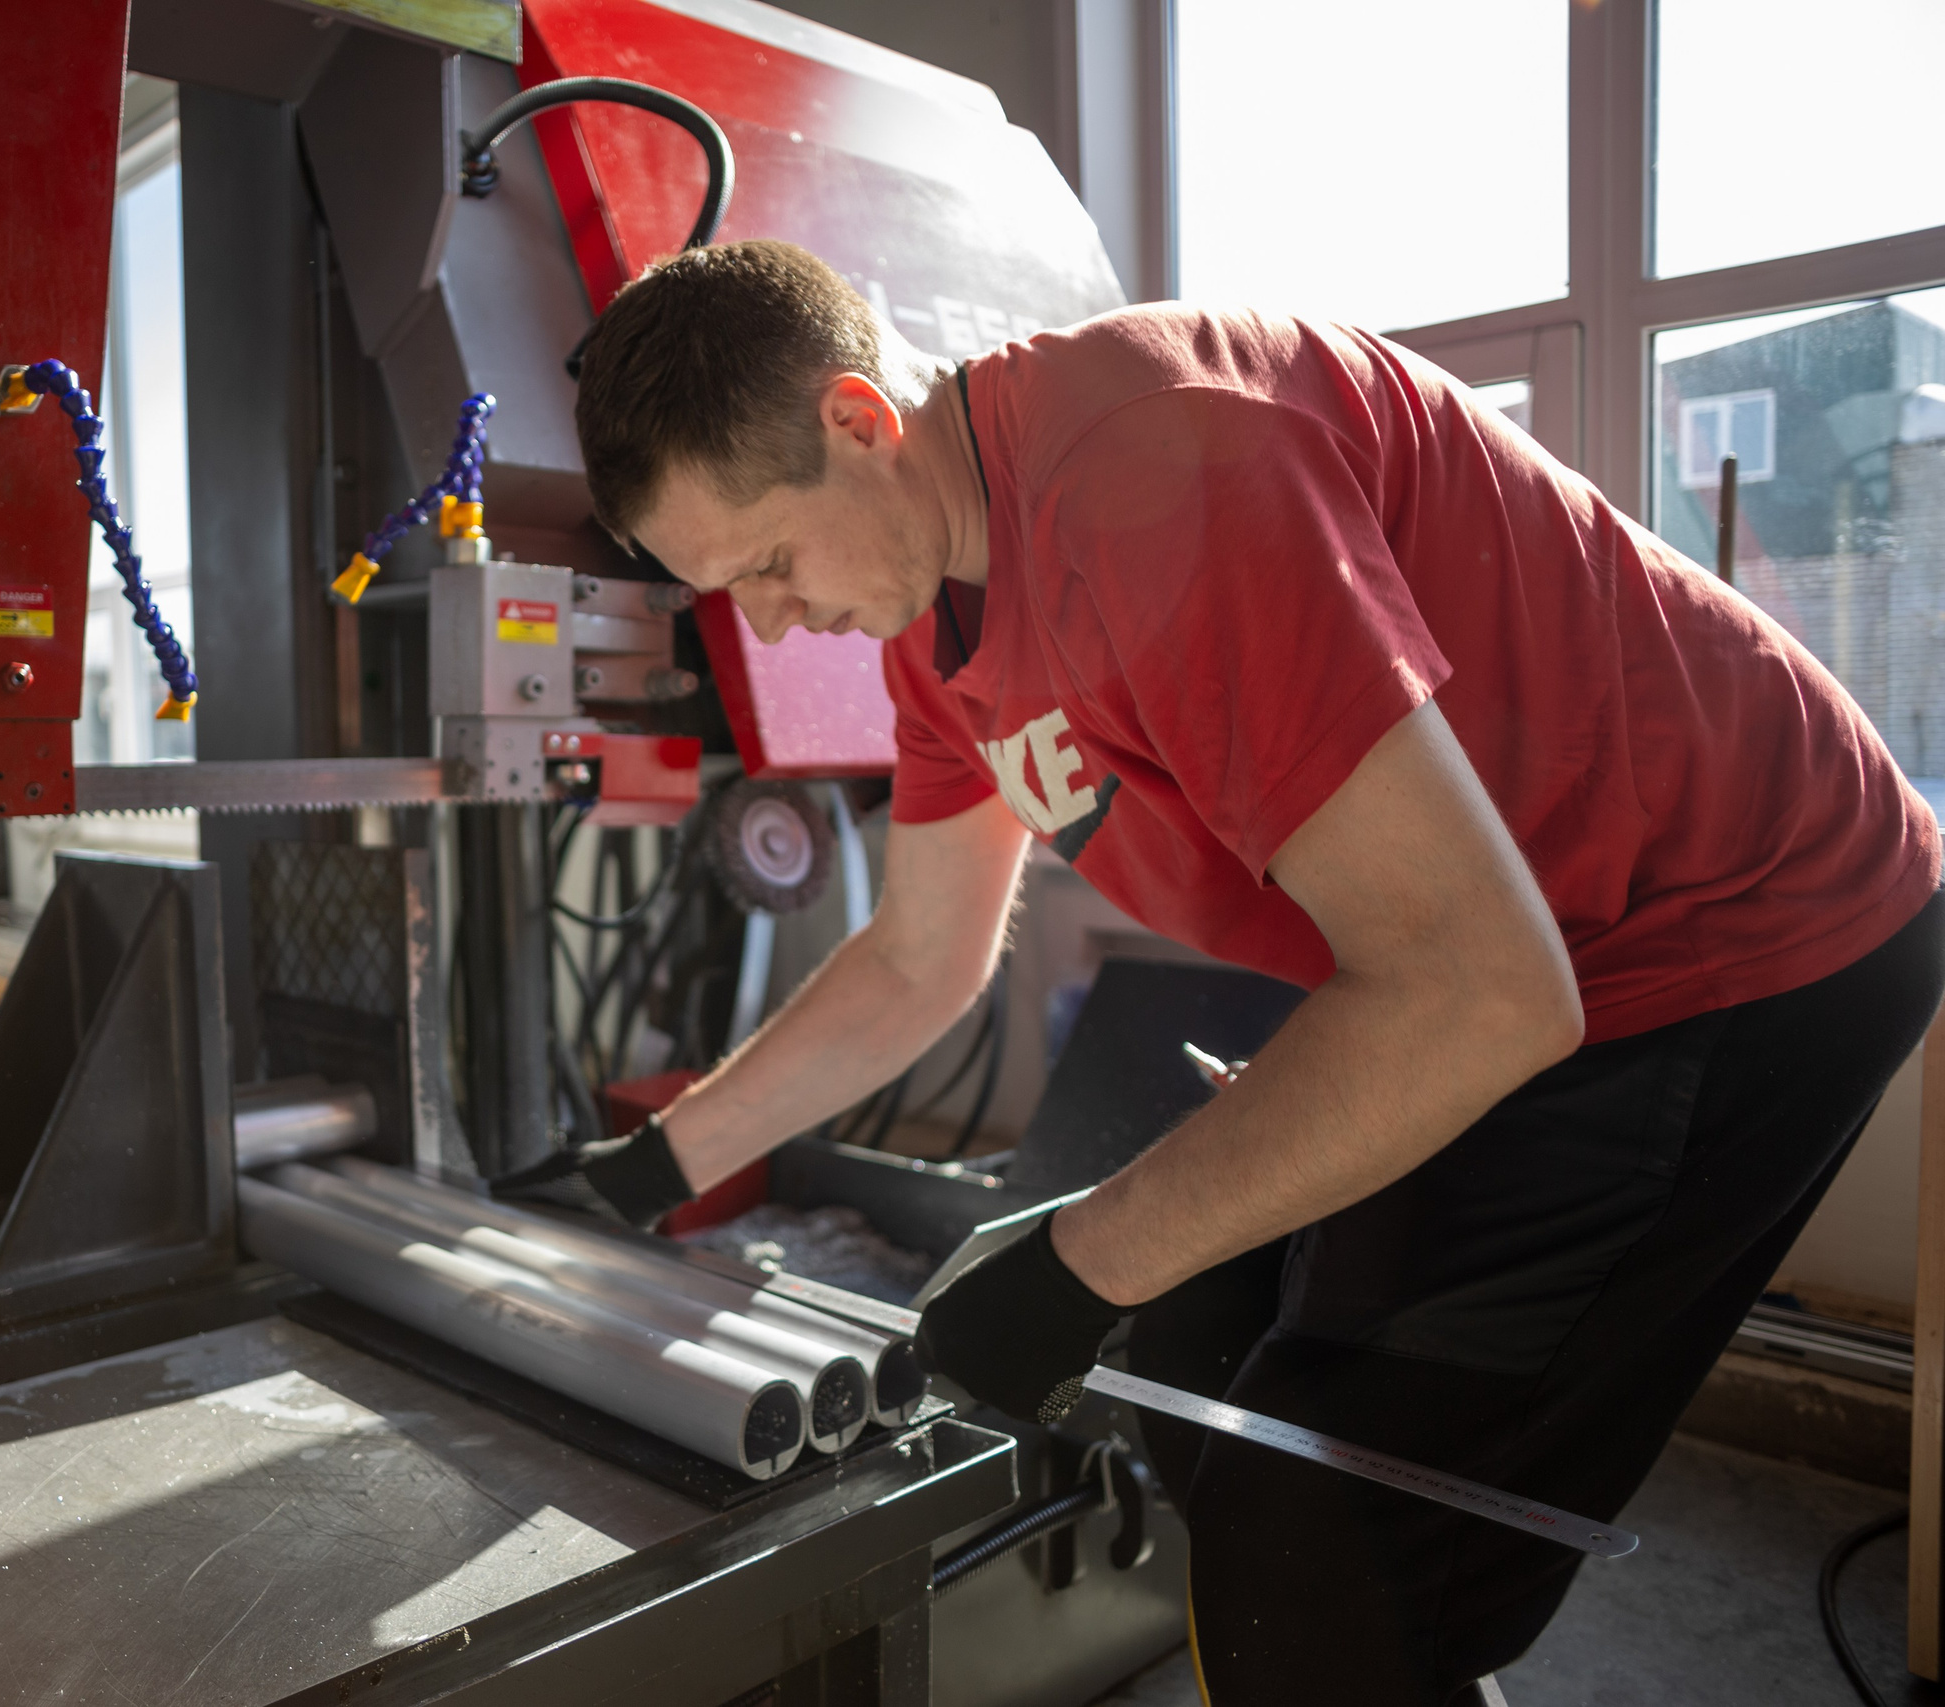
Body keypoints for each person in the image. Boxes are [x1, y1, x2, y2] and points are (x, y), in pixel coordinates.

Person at [494, 240, 1945, 1705]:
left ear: (860, 423)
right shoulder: (931, 632)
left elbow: (1476, 991)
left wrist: (1077, 1260)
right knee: (1189, 1350)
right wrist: (650, 1170)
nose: (769, 621)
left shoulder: (1156, 473)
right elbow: (918, 961)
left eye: (768, 564)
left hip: (1731, 935)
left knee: (1313, 1543)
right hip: (1514, 960)